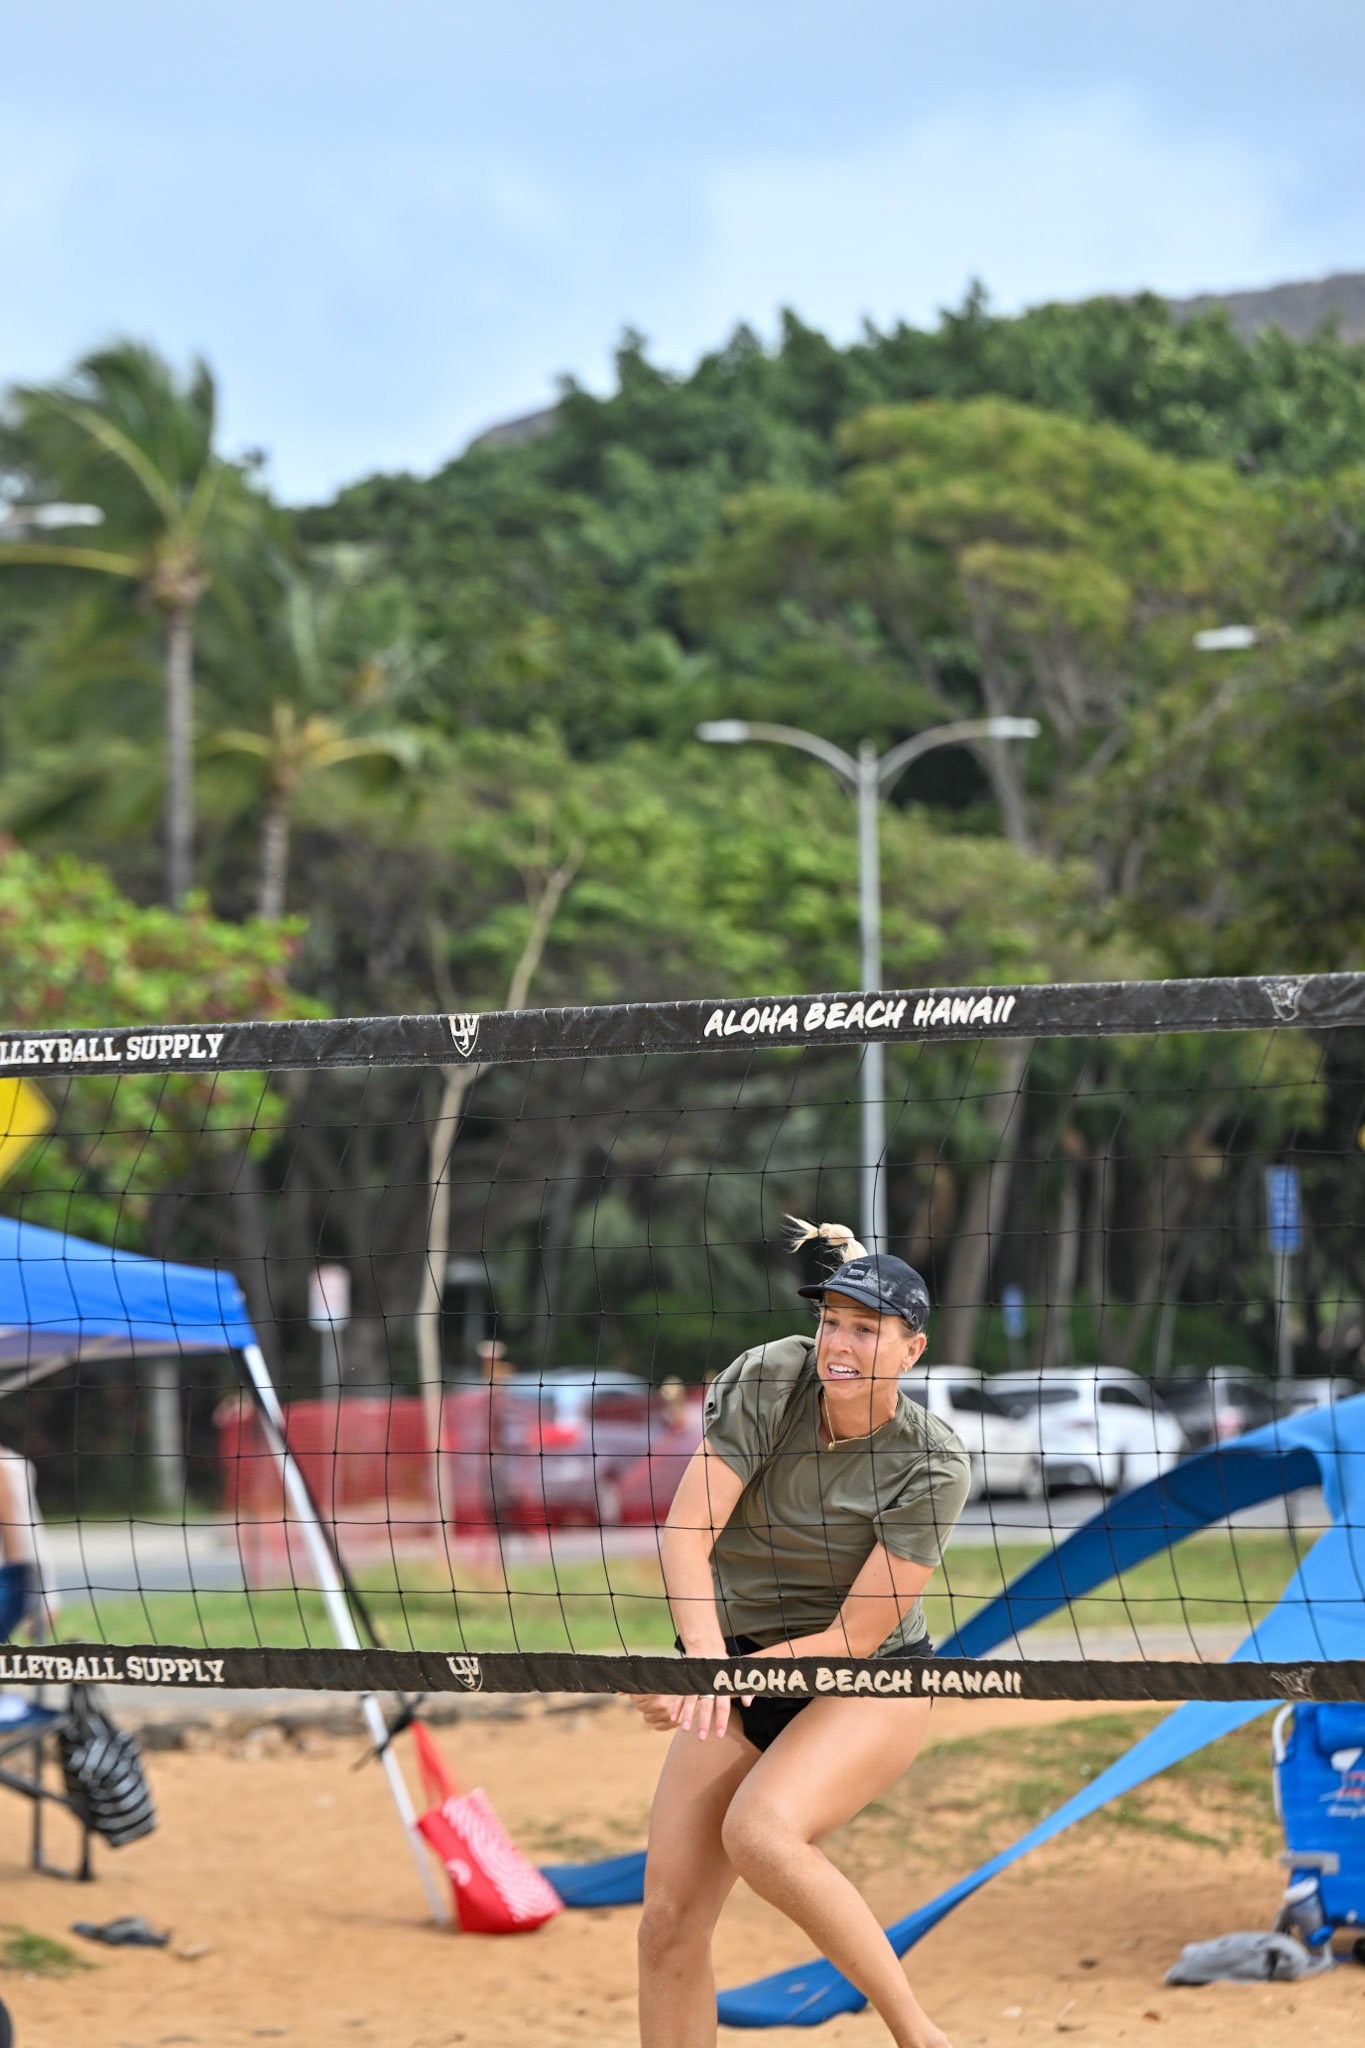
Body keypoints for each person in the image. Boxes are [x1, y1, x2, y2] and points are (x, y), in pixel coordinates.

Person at [630, 1217, 971, 2048]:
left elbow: (854, 1637)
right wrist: (702, 1665)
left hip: (867, 1680)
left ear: (911, 1351)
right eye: (830, 1321)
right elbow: (685, 1534)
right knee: (668, 1923)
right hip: (740, 1661)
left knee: (760, 1831)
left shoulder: (933, 1462)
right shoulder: (773, 1378)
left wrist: (709, 1682)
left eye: (864, 1329)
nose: (837, 1343)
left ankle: (918, 2036)